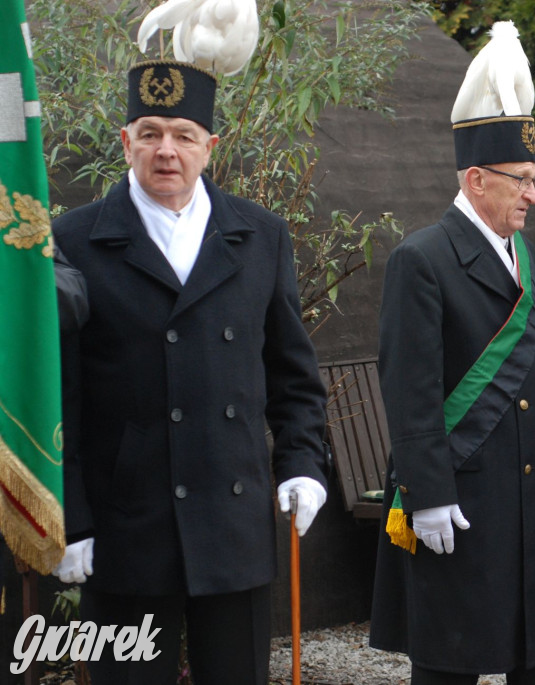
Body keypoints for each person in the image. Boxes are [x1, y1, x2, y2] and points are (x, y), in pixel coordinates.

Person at [50, 60, 329, 684]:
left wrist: (304, 465)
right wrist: (70, 518)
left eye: (182, 134)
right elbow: (58, 397)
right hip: (123, 532)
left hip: (232, 526)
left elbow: (294, 377)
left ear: (210, 146)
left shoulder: (260, 236)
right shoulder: (72, 240)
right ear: (125, 142)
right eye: (149, 133)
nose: (166, 151)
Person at [367, 23, 535, 685]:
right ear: (477, 179)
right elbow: (409, 385)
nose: (533, 195)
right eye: (522, 181)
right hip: (460, 499)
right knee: (451, 663)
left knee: (532, 661)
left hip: (528, 500)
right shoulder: (421, 258)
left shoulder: (528, 256)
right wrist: (426, 492)